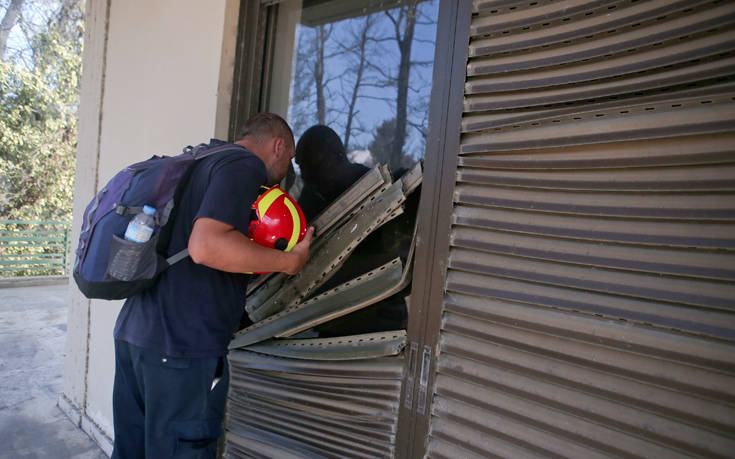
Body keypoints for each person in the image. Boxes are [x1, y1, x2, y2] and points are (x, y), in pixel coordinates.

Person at [111, 113, 314, 458]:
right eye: (290, 159)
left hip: (136, 334)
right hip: (179, 350)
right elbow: (206, 247)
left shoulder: (201, 159)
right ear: (279, 146)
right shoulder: (243, 166)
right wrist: (288, 262)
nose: (287, 172)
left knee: (132, 451)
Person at [294, 125, 370, 221]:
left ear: (337, 156)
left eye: (314, 166)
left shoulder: (365, 179)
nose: (304, 175)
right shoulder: (309, 200)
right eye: (302, 168)